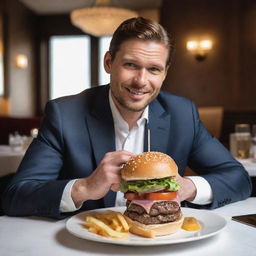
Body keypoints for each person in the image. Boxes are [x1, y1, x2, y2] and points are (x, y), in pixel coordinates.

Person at [2, 17, 252, 219]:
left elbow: (237, 178)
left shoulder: (183, 114)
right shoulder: (64, 114)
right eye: (131, 65)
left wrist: (187, 186)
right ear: (109, 62)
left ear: (165, 73)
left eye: (153, 69)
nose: (141, 81)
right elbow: (15, 195)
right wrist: (85, 187)